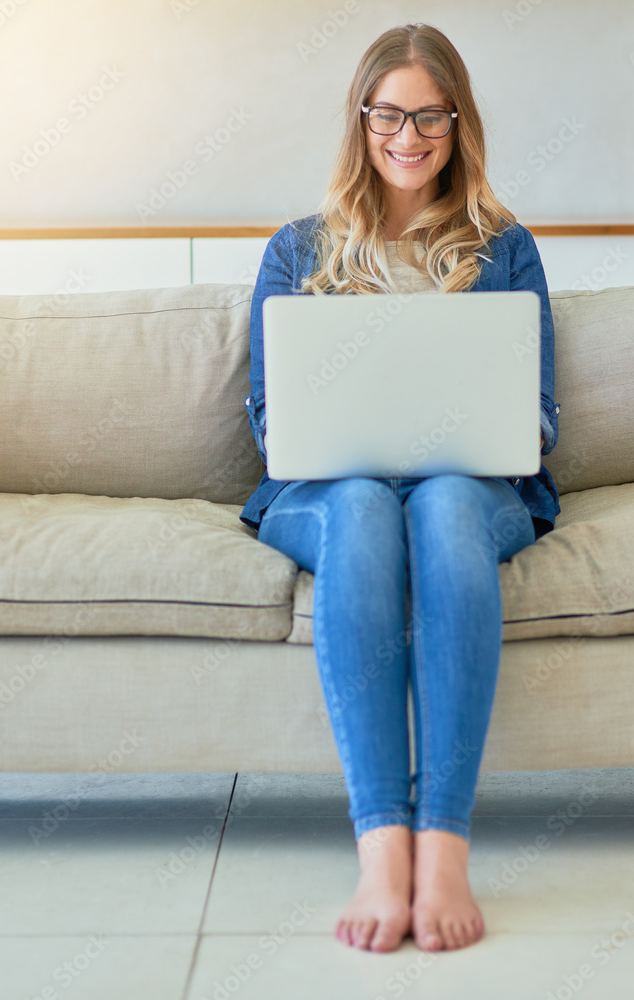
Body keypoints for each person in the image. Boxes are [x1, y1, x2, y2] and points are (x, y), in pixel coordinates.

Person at [239, 22, 561, 955]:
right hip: (332, 491)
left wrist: (475, 418)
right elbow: (272, 429)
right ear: (361, 119)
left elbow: (537, 423)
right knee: (364, 506)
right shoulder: (296, 251)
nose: (408, 135)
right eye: (389, 113)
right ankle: (383, 847)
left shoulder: (505, 247)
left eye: (430, 115)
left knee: (450, 502)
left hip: (472, 486)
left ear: (458, 123)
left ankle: (444, 847)